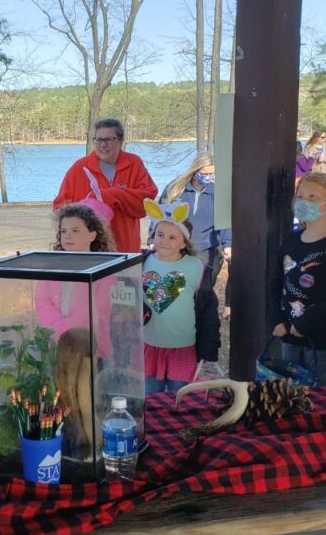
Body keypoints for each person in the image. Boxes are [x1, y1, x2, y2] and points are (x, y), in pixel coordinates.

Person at [270, 173, 326, 387]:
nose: (304, 202)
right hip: (290, 337)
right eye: (300, 196)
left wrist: (307, 321)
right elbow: (275, 282)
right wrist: (276, 318)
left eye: (313, 197)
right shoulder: (291, 241)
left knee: (323, 400)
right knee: (290, 397)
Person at [141, 200, 220, 394]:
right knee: (150, 400)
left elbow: (208, 310)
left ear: (184, 242)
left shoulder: (197, 267)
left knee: (181, 398)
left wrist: (209, 346)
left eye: (172, 237)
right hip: (149, 345)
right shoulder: (142, 262)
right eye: (160, 235)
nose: (164, 241)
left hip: (183, 348)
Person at [53, 117, 157, 252]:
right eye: (99, 140)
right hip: (89, 252)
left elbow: (145, 205)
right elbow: (59, 208)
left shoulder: (134, 164)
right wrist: (86, 206)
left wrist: (113, 194)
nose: (103, 145)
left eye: (109, 139)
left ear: (120, 140)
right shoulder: (80, 167)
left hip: (126, 249)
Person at [34, 203, 116, 354]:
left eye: (75, 230)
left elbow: (97, 308)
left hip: (90, 345)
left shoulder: (105, 269)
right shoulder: (52, 265)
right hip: (54, 342)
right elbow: (41, 301)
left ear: (92, 235)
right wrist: (55, 329)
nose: (68, 235)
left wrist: (64, 330)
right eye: (63, 231)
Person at [161, 153, 231, 300]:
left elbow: (224, 222)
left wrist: (227, 244)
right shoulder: (176, 189)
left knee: (202, 290)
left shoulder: (217, 192)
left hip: (206, 247)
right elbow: (160, 215)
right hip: (179, 246)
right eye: (204, 173)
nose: (208, 177)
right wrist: (152, 240)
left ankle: (199, 317)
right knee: (176, 288)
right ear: (195, 171)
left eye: (211, 173)